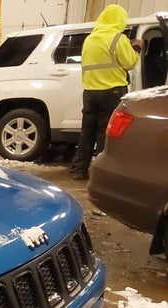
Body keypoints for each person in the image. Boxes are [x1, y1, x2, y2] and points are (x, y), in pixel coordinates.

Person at [70, 4, 143, 180]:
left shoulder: (90, 39)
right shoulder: (118, 39)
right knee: (106, 133)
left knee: (87, 132)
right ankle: (101, 174)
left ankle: (78, 170)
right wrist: (137, 48)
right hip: (111, 92)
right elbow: (131, 63)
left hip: (89, 92)